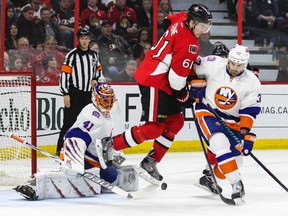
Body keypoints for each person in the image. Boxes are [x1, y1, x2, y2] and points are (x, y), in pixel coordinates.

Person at [99, 4, 213, 181]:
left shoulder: (182, 17)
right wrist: (184, 96)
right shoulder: (190, 44)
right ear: (191, 23)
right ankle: (111, 144)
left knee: (176, 122)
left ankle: (150, 160)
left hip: (163, 77)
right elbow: (176, 81)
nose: (203, 31)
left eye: (206, 27)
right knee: (154, 128)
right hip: (155, 79)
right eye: (201, 26)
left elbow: (168, 21)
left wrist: (172, 50)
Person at [14, 83, 138, 200]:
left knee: (113, 175)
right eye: (105, 101)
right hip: (80, 158)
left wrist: (113, 155)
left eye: (110, 101)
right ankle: (35, 185)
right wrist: (74, 160)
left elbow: (105, 141)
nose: (108, 105)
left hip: (93, 158)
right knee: (103, 178)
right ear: (95, 99)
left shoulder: (105, 115)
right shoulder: (93, 117)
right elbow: (75, 136)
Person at [191, 44, 261, 204]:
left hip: (232, 122)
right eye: (233, 63)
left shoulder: (252, 82)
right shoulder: (213, 63)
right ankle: (236, 184)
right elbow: (191, 67)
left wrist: (245, 134)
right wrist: (192, 84)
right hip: (207, 110)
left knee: (238, 160)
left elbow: (249, 111)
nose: (235, 67)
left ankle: (211, 179)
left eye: (240, 65)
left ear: (246, 64)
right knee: (218, 142)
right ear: (228, 59)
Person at [56, 28, 104, 156]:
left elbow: (98, 71)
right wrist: (65, 93)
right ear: (78, 39)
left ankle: (85, 149)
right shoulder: (71, 55)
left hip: (88, 94)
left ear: (89, 39)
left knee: (88, 123)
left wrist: (95, 79)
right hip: (74, 93)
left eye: (86, 38)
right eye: (82, 38)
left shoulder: (94, 55)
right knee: (69, 122)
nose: (84, 41)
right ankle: (60, 149)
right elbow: (65, 75)